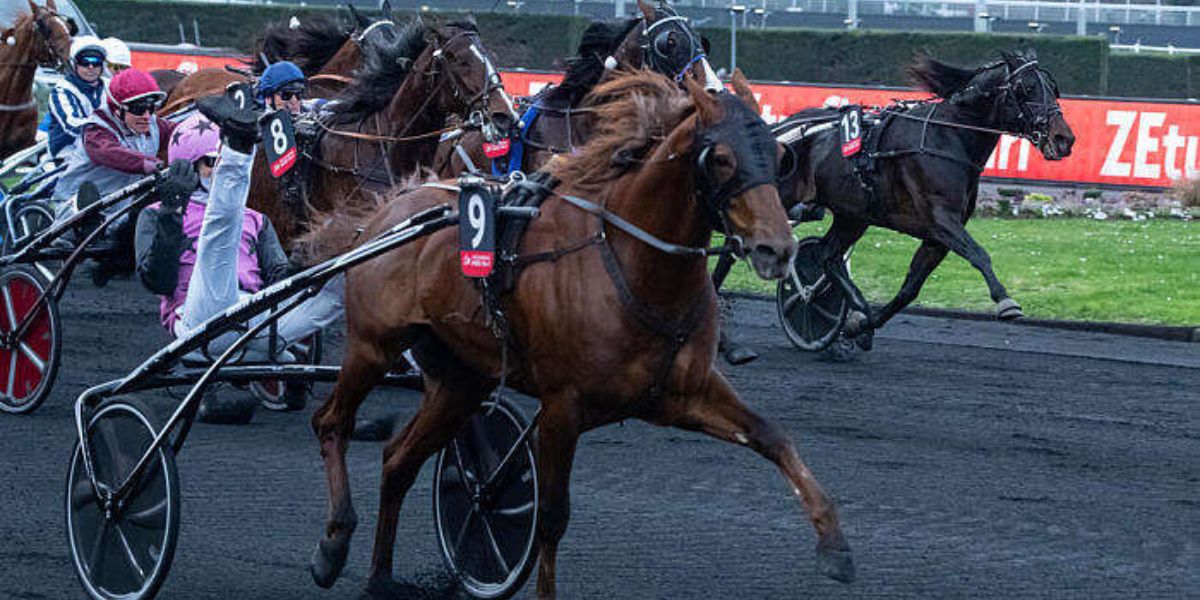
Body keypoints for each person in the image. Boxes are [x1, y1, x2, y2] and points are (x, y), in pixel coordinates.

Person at [135, 96, 344, 424]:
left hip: (255, 323)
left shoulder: (256, 220)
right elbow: (156, 282)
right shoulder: (155, 215)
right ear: (188, 165)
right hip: (199, 321)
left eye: (220, 162)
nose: (214, 170)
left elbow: (278, 282)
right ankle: (239, 143)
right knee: (222, 228)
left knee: (341, 284)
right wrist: (172, 214)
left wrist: (303, 267)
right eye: (210, 162)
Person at [47, 36, 108, 158]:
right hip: (68, 152)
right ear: (74, 64)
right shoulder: (62, 90)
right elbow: (73, 125)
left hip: (107, 146)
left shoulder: (110, 85)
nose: (91, 67)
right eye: (85, 62)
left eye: (96, 62)